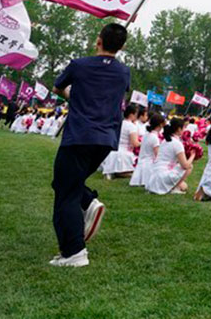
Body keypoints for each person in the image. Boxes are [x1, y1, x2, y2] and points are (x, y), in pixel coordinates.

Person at [48, 23, 131, 268]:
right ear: (122, 46)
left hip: (79, 136)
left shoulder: (79, 65)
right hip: (105, 140)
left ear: (98, 40)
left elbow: (57, 87)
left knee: (65, 194)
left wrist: (73, 97)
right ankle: (89, 201)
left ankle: (74, 252)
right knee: (64, 184)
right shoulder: (123, 72)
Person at [145, 118, 195, 195]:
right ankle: (174, 187)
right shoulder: (177, 143)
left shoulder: (165, 140)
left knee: (184, 185)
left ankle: (174, 186)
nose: (184, 129)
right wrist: (193, 155)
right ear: (179, 129)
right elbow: (185, 165)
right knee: (190, 167)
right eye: (184, 127)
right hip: (163, 175)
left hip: (155, 176)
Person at [101, 105, 140, 180]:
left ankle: (113, 172)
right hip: (124, 153)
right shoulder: (131, 126)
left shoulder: (119, 124)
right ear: (131, 115)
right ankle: (121, 173)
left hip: (112, 152)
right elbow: (135, 143)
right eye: (136, 115)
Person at [130, 113, 164, 187]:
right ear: (161, 125)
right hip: (149, 166)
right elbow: (157, 155)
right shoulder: (155, 138)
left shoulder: (146, 135)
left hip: (141, 163)